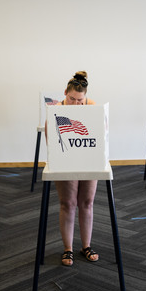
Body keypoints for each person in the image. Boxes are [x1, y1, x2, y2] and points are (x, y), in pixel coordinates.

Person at [46, 71, 99, 267]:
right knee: (68, 203)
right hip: (66, 160)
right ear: (65, 93)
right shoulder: (56, 110)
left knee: (87, 202)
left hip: (88, 159)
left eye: (80, 100)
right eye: (72, 99)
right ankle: (67, 248)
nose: (77, 104)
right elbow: (50, 138)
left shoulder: (92, 106)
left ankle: (86, 246)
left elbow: (103, 131)